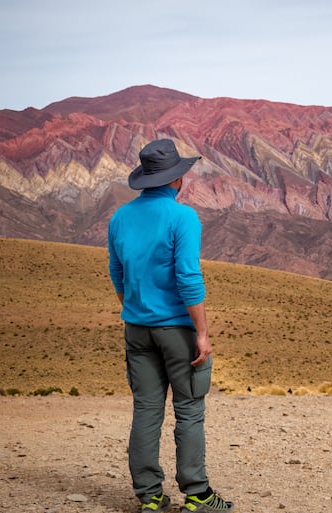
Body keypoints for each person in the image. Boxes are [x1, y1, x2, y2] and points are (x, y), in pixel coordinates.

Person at [108, 139, 234, 512]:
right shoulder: (183, 218)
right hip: (177, 331)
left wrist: (136, 310)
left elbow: (118, 274)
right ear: (176, 180)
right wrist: (202, 333)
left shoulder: (119, 218)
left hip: (137, 328)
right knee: (189, 409)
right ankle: (197, 495)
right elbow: (188, 278)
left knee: (146, 409)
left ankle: (150, 499)